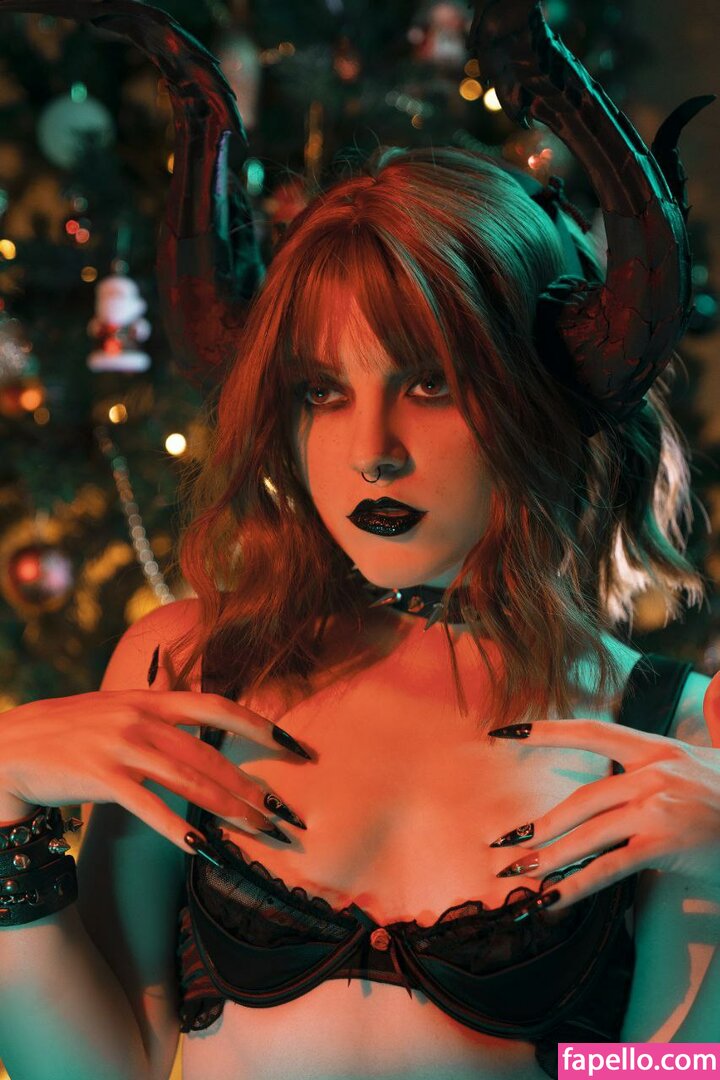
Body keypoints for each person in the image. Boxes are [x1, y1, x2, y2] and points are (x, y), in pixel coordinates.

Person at [0, 2, 719, 1080]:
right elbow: (102, 1067)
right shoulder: (187, 664)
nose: (371, 452)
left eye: (430, 385)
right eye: (322, 392)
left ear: (534, 402)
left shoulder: (669, 728)